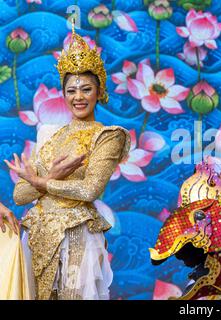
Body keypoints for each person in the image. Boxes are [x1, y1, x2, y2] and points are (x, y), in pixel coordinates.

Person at [5, 25, 130, 300]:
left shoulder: (107, 136)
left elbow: (90, 190)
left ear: (99, 92)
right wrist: (50, 177)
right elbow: (20, 194)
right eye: (71, 90)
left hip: (78, 236)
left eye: (86, 89)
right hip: (38, 235)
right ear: (63, 94)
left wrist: (43, 181)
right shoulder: (49, 135)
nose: (78, 97)